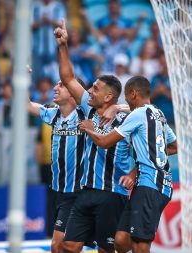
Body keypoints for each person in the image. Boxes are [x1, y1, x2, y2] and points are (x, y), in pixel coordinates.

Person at [54, 20, 135, 253]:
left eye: (95, 89)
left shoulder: (127, 120)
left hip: (112, 194)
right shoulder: (88, 110)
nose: (89, 90)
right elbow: (69, 78)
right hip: (85, 190)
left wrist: (119, 108)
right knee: (68, 246)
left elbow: (148, 111)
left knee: (105, 250)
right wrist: (63, 46)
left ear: (109, 97)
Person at [79, 76, 178, 253]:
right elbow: (175, 146)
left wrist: (88, 129)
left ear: (133, 94)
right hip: (149, 184)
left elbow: (105, 142)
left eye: (126, 96)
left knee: (140, 245)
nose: (126, 101)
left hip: (151, 184)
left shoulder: (138, 114)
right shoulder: (158, 114)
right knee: (121, 240)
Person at [28, 78, 88, 253]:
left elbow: (119, 108)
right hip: (62, 192)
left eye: (62, 85)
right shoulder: (53, 114)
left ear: (73, 92)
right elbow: (27, 104)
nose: (55, 87)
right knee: (59, 247)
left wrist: (116, 107)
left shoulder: (86, 114)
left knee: (64, 246)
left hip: (83, 192)